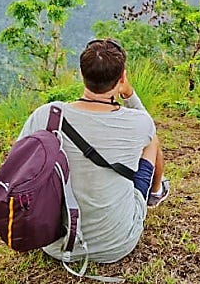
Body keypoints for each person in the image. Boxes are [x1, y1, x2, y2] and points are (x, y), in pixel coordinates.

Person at [17, 38, 169, 263]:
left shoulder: (48, 114)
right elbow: (150, 127)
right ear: (121, 78)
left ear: (81, 74)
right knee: (151, 141)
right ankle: (155, 193)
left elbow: (20, 162)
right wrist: (129, 94)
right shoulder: (138, 122)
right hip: (118, 243)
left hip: (55, 244)